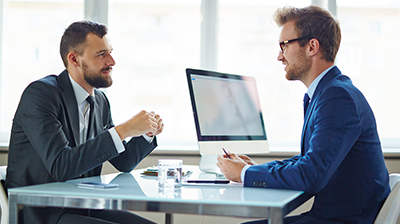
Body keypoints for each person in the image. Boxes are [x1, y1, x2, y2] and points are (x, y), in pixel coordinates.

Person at [217, 5, 390, 224]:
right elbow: (309, 161)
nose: (280, 56)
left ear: (312, 47)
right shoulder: (327, 93)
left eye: (284, 46)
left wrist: (244, 175)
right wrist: (253, 170)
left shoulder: (337, 97)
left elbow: (311, 174)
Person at [5, 21, 163, 224]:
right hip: (43, 212)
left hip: (82, 207)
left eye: (110, 52)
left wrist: (146, 134)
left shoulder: (100, 101)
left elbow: (123, 163)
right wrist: (124, 130)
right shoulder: (41, 95)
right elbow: (61, 166)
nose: (112, 61)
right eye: (101, 54)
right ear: (74, 59)